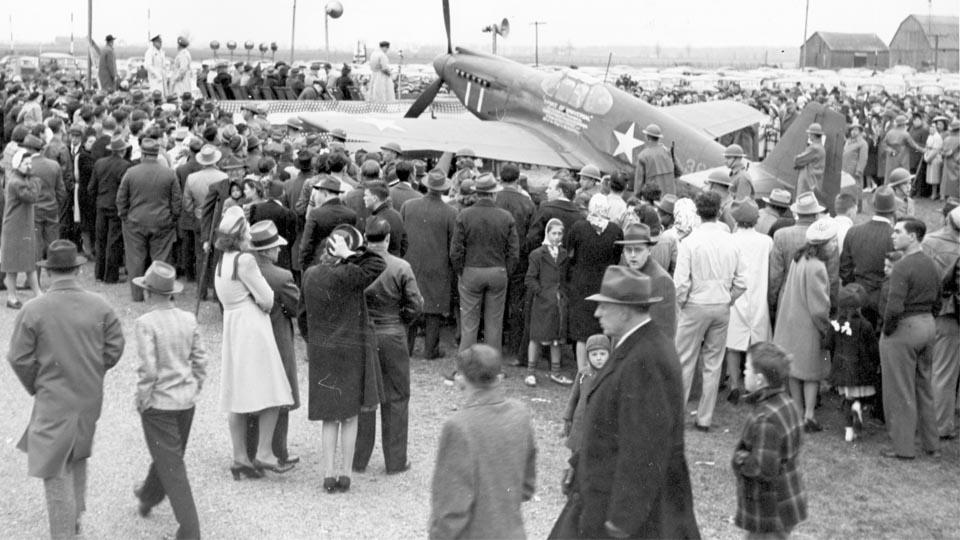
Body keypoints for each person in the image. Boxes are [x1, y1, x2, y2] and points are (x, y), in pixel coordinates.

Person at [554, 266, 699, 539]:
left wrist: (622, 521)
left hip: (633, 512)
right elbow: (611, 424)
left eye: (603, 307)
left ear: (624, 309)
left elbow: (644, 447)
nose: (597, 314)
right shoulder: (633, 344)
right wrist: (577, 462)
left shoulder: (648, 357)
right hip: (605, 493)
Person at [7, 240, 125, 538]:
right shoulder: (101, 305)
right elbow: (115, 347)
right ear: (77, 270)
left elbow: (18, 358)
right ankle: (75, 519)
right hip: (88, 395)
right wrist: (93, 370)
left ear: (47, 274)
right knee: (77, 454)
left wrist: (38, 384)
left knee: (55, 470)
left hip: (53, 397)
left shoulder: (34, 309)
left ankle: (65, 531)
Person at [302, 225, 386, 493]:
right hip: (351, 349)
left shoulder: (310, 274)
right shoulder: (352, 274)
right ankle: (345, 474)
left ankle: (328, 474)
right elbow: (377, 263)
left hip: (323, 349)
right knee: (350, 415)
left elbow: (302, 315)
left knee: (329, 416)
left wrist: (312, 341)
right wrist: (351, 254)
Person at [214, 207, 295, 479]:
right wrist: (260, 301)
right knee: (272, 392)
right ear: (240, 235)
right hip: (252, 326)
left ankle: (240, 457)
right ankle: (263, 452)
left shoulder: (221, 262)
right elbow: (268, 298)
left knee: (236, 396)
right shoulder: (245, 261)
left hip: (232, 326)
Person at [428, 344, 537, 540]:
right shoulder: (521, 414)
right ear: (500, 377)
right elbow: (527, 487)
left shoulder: (458, 426)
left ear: (460, 379)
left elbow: (450, 510)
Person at [131, 261, 205, 539]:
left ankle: (190, 531)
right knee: (169, 456)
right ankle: (148, 495)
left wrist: (142, 397)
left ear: (149, 293)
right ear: (171, 292)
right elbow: (200, 359)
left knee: (171, 464)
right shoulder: (188, 319)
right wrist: (194, 384)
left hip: (159, 404)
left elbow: (148, 368)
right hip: (186, 400)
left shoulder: (145, 323)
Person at [354, 218, 423, 475]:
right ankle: (395, 462)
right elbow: (416, 304)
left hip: (364, 334)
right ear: (388, 239)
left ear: (364, 236)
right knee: (397, 397)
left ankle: (358, 459)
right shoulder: (401, 266)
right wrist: (400, 320)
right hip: (393, 333)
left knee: (363, 396)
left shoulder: (355, 265)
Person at [675, 191, 746, 431]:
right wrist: (728, 299)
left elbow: (681, 283)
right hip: (720, 305)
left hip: (695, 304)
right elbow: (742, 281)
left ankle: (677, 415)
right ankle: (704, 418)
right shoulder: (731, 241)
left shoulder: (690, 242)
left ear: (697, 212)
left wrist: (683, 302)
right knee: (714, 363)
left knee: (684, 359)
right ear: (718, 212)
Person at [732, 342, 807, 539]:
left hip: (771, 510)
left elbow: (762, 468)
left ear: (759, 380)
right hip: (785, 501)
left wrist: (739, 459)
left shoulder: (766, 418)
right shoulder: (787, 403)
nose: (743, 371)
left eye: (746, 368)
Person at [880, 217, 941, 460]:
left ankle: (903, 448)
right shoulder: (931, 263)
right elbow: (939, 299)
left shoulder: (903, 267)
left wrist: (886, 332)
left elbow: (893, 308)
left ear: (912, 236)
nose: (893, 236)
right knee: (924, 388)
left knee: (899, 390)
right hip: (928, 325)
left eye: (898, 232)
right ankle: (932, 445)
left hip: (904, 329)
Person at [450, 173, 519, 353]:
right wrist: (506, 272)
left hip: (471, 271)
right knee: (494, 324)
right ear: (494, 194)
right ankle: (493, 368)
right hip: (498, 272)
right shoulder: (506, 217)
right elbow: (513, 252)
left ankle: (464, 369)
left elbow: (456, 250)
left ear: (477, 193)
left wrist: (461, 271)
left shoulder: (464, 215)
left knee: (469, 324)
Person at [401, 169, 457, 359]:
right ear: (443, 189)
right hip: (438, 264)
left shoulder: (409, 205)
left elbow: (401, 235)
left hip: (411, 261)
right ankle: (430, 349)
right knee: (434, 307)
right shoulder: (451, 212)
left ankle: (406, 347)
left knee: (410, 303)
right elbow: (453, 244)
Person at [117, 138, 181, 302]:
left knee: (135, 259)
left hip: (135, 221)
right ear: (157, 153)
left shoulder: (131, 172)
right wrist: (172, 217)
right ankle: (162, 291)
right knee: (162, 258)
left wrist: (125, 216)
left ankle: (137, 295)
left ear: (143, 154)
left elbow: (121, 198)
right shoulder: (169, 173)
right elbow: (176, 200)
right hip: (162, 221)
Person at [565, 196, 623, 373]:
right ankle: (601, 369)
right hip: (605, 283)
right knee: (601, 327)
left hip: (581, 283)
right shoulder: (615, 230)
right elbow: (616, 257)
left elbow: (570, 253)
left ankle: (582, 371)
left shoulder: (578, 227)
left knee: (582, 331)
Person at [725, 200, 773, 404]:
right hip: (758, 292)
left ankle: (735, 384)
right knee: (758, 344)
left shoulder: (730, 240)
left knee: (733, 343)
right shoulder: (766, 241)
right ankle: (756, 385)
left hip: (737, 293)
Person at [921, 205, 960, 439]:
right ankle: (940, 424)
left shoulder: (929, 242)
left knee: (942, 370)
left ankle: (939, 422)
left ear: (947, 221)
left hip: (943, 312)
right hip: (952, 314)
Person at [827, 284, 879, 443]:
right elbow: (873, 349)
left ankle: (849, 430)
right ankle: (858, 408)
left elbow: (828, 343)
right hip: (862, 370)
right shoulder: (866, 325)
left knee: (848, 399)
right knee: (858, 397)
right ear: (861, 306)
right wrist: (876, 363)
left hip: (843, 368)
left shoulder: (836, 324)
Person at [840, 187, 896, 329]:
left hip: (857, 297)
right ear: (893, 210)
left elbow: (844, 268)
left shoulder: (854, 232)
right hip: (884, 300)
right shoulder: (896, 237)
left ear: (873, 207)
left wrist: (854, 289)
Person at [524, 218, 568, 387]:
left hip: (559, 303)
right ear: (547, 234)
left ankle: (555, 372)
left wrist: (563, 294)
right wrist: (542, 292)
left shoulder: (563, 254)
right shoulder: (538, 254)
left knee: (556, 338)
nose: (557, 237)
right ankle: (530, 372)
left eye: (559, 233)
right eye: (554, 233)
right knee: (536, 336)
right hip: (543, 302)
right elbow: (530, 278)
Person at [618, 222, 677, 339]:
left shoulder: (661, 281)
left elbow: (663, 332)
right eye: (628, 250)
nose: (633, 255)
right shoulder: (625, 273)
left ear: (649, 250)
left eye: (638, 250)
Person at [2, 149, 42, 308]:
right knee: (17, 264)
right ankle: (14, 297)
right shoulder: (16, 182)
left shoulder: (18, 179)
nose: (29, 166)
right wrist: (37, 181)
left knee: (25, 262)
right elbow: (32, 197)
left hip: (20, 226)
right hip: (16, 227)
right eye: (26, 163)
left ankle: (33, 293)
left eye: (30, 162)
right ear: (17, 164)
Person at [89, 136, 132, 283]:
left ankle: (99, 273)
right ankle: (111, 275)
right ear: (122, 150)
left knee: (101, 239)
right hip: (115, 206)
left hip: (101, 204)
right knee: (114, 240)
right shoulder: (125, 165)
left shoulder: (99, 163)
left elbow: (91, 187)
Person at [561, 334, 608, 455]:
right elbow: (574, 397)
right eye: (594, 354)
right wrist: (567, 418)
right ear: (587, 356)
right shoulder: (583, 374)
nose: (598, 358)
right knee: (576, 454)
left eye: (602, 354)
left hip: (599, 425)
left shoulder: (610, 376)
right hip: (580, 422)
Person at [299, 176, 355, 269]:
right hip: (343, 264)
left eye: (319, 192)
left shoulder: (315, 214)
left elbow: (306, 244)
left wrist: (304, 265)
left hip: (319, 263)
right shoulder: (351, 214)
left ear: (324, 193)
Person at [634, 123, 677, 196]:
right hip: (668, 201)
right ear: (659, 138)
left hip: (652, 198)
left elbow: (639, 183)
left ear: (647, 137)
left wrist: (636, 198)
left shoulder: (643, 156)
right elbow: (678, 172)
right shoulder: (668, 152)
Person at [794, 123, 826, 195]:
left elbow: (798, 160)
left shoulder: (814, 148)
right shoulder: (821, 147)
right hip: (813, 181)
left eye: (810, 134)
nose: (808, 136)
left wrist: (797, 158)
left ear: (813, 135)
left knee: (801, 199)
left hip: (807, 181)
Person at [843, 123, 869, 190]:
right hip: (845, 169)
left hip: (854, 170)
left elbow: (863, 159)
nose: (853, 132)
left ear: (860, 132)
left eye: (856, 130)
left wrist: (859, 171)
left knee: (855, 188)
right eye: (852, 130)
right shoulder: (848, 141)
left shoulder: (863, 143)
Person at [924, 119, 944, 200]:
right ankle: (933, 193)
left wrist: (928, 158)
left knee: (935, 177)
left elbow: (936, 150)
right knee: (931, 176)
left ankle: (935, 193)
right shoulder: (930, 136)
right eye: (930, 127)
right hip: (929, 154)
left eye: (933, 127)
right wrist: (926, 154)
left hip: (935, 158)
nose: (931, 129)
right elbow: (927, 146)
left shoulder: (937, 137)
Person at [941, 120, 960, 200]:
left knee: (948, 185)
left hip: (947, 164)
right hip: (957, 164)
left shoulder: (946, 139)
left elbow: (942, 153)